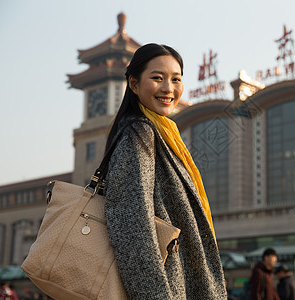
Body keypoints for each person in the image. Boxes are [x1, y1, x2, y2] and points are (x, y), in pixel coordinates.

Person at [103, 43, 226, 299]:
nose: (168, 89)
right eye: (157, 78)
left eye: (176, 79)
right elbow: (133, 225)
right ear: (134, 84)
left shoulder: (163, 133)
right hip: (166, 287)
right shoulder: (139, 133)